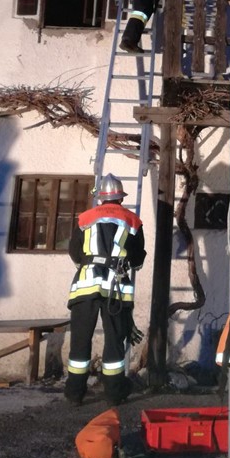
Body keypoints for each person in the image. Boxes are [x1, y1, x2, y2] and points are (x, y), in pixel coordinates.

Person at [64, 174, 146, 406]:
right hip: (115, 290)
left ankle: (74, 394)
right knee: (114, 341)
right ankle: (114, 393)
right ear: (121, 198)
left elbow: (74, 252)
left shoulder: (84, 218)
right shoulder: (133, 221)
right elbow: (137, 258)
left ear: (100, 198)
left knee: (80, 340)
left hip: (85, 288)